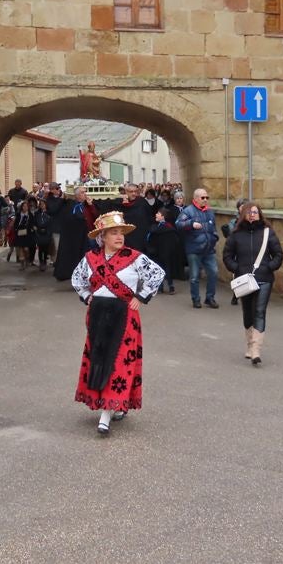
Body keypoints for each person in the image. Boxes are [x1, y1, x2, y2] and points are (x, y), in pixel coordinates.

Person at [71, 211, 165, 435]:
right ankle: (114, 404)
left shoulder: (134, 257)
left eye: (121, 233)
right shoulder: (91, 259)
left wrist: (140, 297)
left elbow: (157, 274)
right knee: (100, 360)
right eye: (114, 233)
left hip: (125, 317)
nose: (119, 237)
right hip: (98, 317)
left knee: (120, 362)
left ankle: (107, 411)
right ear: (102, 236)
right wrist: (87, 296)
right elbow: (77, 279)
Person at [222, 203, 283, 366]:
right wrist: (237, 268)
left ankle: (256, 349)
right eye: (249, 212)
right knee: (247, 312)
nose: (252, 215)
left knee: (259, 311)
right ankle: (249, 344)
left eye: (255, 212)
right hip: (244, 280)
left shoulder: (267, 232)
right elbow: (227, 256)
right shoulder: (236, 234)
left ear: (260, 214)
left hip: (263, 278)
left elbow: (278, 254)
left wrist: (268, 267)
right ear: (243, 215)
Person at [175, 187, 220, 310]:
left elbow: (213, 227)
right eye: (203, 197)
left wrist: (215, 237)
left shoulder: (209, 211)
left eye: (207, 197)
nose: (205, 200)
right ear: (195, 198)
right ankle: (196, 299)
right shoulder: (188, 211)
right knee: (194, 276)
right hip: (194, 249)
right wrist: (190, 224)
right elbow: (178, 224)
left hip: (209, 249)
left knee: (213, 273)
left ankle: (210, 298)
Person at [53, 186, 98, 281]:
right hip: (75, 238)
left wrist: (91, 206)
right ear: (77, 195)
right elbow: (66, 219)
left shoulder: (89, 205)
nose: (85, 194)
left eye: (85, 192)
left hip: (89, 236)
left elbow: (96, 217)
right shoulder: (70, 205)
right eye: (82, 192)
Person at [96, 184, 149, 252]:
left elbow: (148, 217)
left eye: (135, 191)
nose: (134, 194)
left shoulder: (142, 202)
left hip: (139, 236)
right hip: (124, 236)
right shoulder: (117, 202)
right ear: (125, 192)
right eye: (131, 191)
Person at [221, 198, 247, 306]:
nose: (244, 208)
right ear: (238, 208)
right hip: (238, 250)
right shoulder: (234, 221)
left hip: (249, 249)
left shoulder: (253, 219)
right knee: (238, 273)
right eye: (242, 206)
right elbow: (231, 235)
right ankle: (236, 294)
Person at [145, 208, 177, 294]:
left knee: (166, 269)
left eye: (158, 213)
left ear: (163, 216)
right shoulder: (157, 226)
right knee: (161, 269)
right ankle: (161, 286)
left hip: (163, 252)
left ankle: (170, 286)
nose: (156, 215)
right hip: (158, 252)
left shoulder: (166, 228)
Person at [13, 198, 36, 270]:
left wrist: (32, 228)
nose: (25, 208)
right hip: (19, 233)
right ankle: (22, 264)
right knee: (20, 248)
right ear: (21, 207)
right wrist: (16, 229)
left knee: (26, 249)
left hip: (27, 233)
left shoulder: (30, 215)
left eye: (26, 206)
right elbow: (16, 223)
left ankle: (27, 259)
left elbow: (32, 223)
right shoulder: (18, 214)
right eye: (23, 206)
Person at [33, 198, 53, 272]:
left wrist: (48, 231)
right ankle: (41, 262)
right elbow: (34, 222)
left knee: (45, 249)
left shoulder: (49, 213)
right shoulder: (37, 213)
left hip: (47, 233)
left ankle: (44, 261)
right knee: (40, 249)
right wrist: (36, 228)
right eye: (41, 204)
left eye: (43, 204)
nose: (42, 206)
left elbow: (51, 224)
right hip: (39, 233)